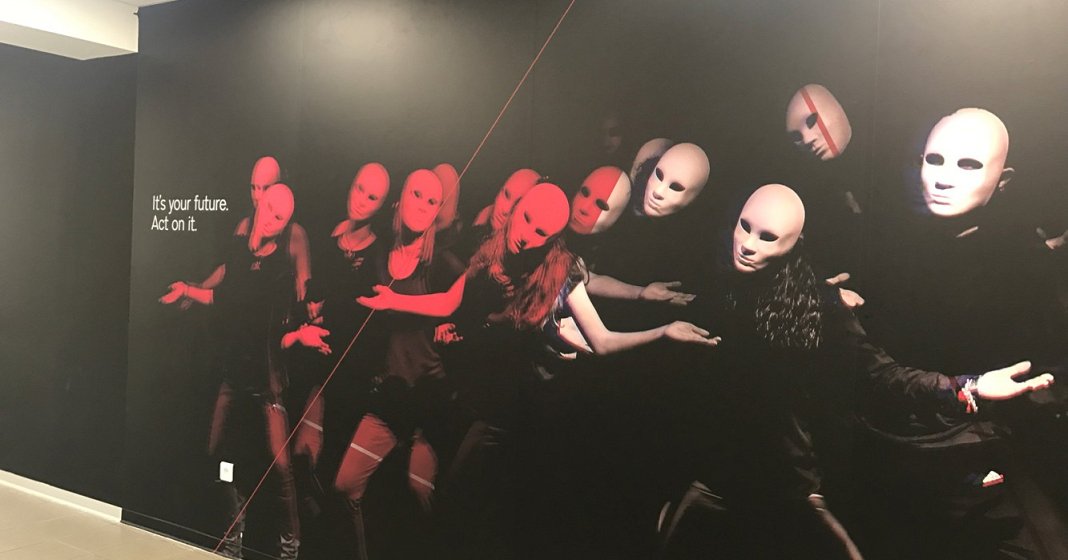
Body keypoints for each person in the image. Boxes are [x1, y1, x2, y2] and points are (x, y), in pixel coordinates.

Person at [358, 182, 718, 558]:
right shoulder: (494, 248)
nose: (525, 235)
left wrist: (663, 330)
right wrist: (394, 299)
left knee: (464, 504)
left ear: (551, 240)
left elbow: (602, 340)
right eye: (526, 219)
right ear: (516, 210)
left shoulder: (559, 273)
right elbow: (451, 301)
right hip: (472, 392)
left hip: (512, 409)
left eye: (540, 232)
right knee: (442, 493)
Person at [856, 108, 1067, 559]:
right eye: (934, 160)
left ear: (1003, 180)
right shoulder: (889, 248)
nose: (943, 179)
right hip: (886, 449)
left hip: (972, 459)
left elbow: (1045, 367)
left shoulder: (1025, 266)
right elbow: (872, 363)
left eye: (968, 165)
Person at [160, 183, 310, 560]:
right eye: (269, 208)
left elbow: (253, 315)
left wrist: (297, 337)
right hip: (235, 375)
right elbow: (219, 292)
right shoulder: (239, 253)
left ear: (286, 224)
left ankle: (290, 547)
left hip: (267, 380)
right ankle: (232, 539)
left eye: (281, 216)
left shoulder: (280, 269)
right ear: (258, 205)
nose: (272, 219)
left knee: (280, 466)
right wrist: (187, 289)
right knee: (217, 454)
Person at [333, 169, 466, 560]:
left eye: (431, 201)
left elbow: (456, 307)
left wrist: (450, 330)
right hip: (389, 397)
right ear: (400, 198)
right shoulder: (378, 258)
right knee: (345, 485)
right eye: (416, 194)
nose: (422, 205)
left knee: (420, 489)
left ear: (439, 211)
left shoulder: (444, 266)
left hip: (428, 402)